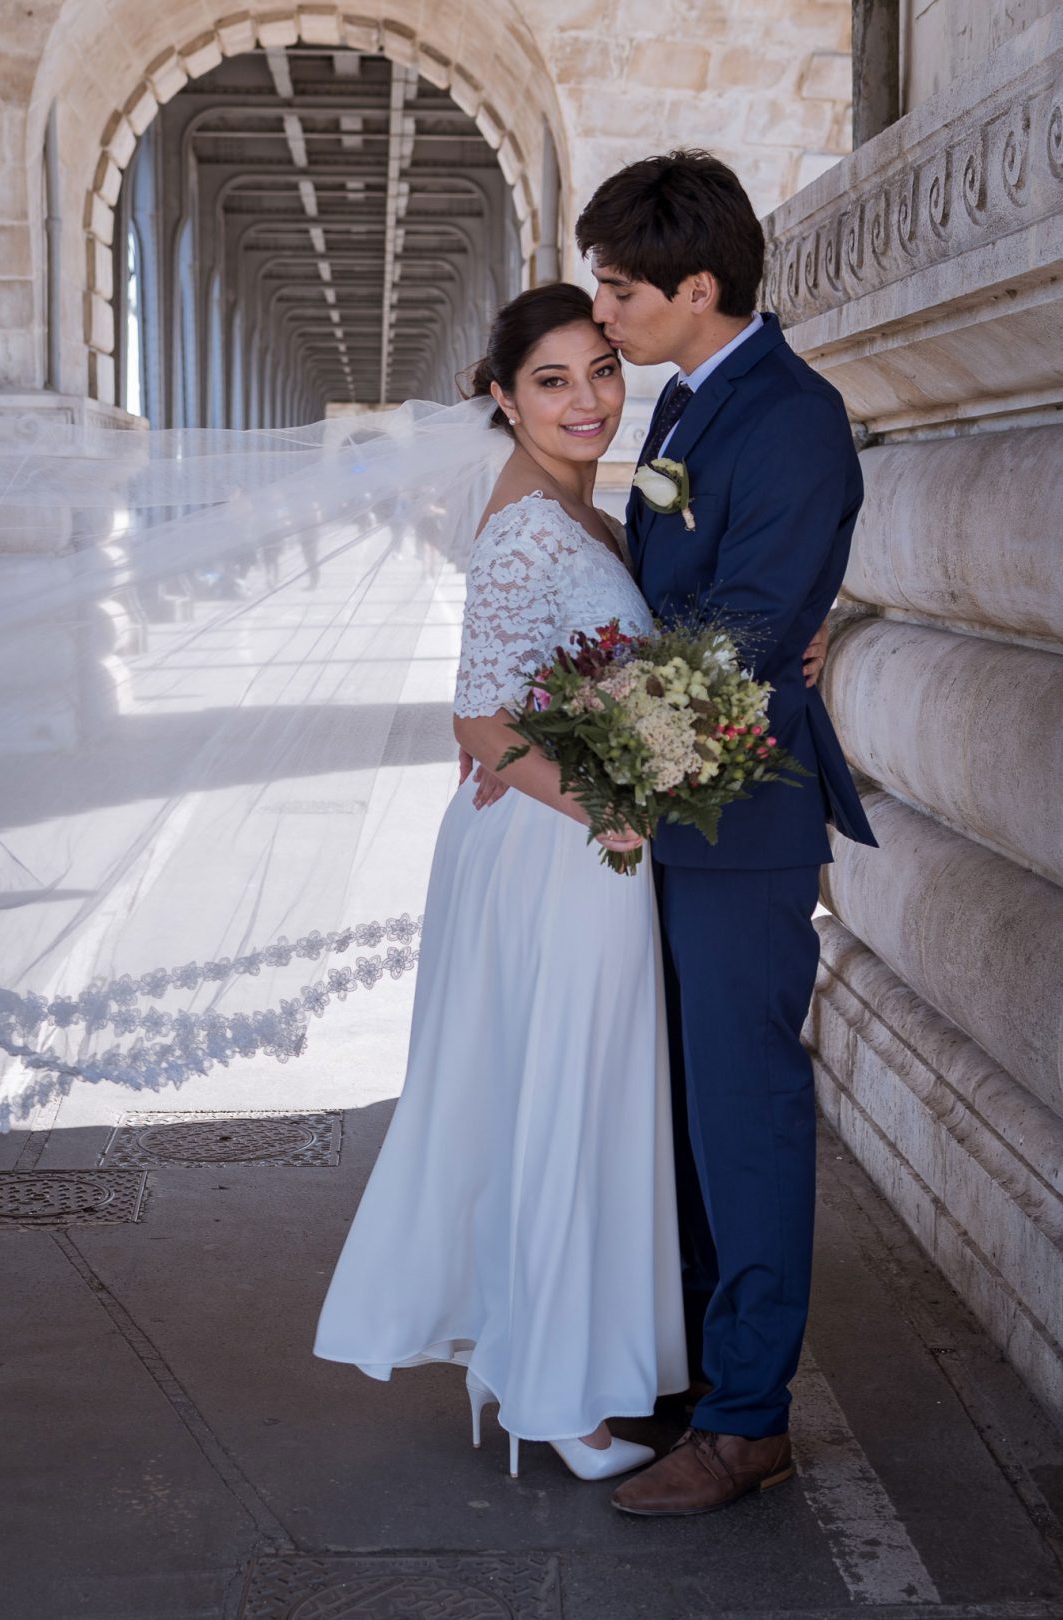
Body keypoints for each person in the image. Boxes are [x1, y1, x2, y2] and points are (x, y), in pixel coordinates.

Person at [313, 278, 833, 1487]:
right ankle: (554, 1392)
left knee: (589, 1108)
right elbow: (481, 723)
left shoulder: (594, 517)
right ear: (502, 398)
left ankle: (565, 1356)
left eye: (601, 369)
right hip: (561, 856)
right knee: (559, 1108)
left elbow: (654, 642)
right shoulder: (525, 529)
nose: (588, 399)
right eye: (552, 381)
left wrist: (806, 631)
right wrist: (624, 809)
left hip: (591, 852)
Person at [571, 150, 878, 1517]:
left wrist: (583, 757)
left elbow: (744, 633)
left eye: (622, 287)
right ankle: (699, 1370)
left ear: (701, 287)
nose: (603, 311)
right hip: (672, 807)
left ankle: (749, 1418)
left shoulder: (792, 419)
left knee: (744, 1114)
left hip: (742, 823)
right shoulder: (694, 404)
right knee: (685, 1110)